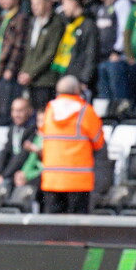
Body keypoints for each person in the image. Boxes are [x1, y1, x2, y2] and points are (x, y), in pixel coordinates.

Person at [41, 76, 104, 214]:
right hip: (78, 181)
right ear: (77, 90)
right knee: (77, 229)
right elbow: (99, 141)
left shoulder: (50, 110)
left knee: (54, 228)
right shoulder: (85, 111)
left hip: (52, 180)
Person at [0, 0, 29, 126]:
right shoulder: (4, 18)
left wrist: (11, 68)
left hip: (8, 70)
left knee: (6, 109)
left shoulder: (20, 18)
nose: (3, 1)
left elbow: (19, 46)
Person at [19, 0, 65, 111]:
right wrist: (24, 71)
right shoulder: (33, 22)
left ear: (48, 3)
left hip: (46, 80)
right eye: (32, 4)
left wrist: (31, 73)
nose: (34, 7)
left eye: (38, 4)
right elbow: (29, 51)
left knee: (44, 113)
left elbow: (50, 53)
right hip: (31, 79)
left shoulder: (56, 23)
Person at [51, 0, 98, 96]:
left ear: (74, 3)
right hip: (64, 74)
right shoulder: (67, 24)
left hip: (78, 79)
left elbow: (91, 54)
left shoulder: (88, 25)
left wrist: (85, 79)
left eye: (65, 3)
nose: (63, 8)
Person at [95, 0, 132, 102]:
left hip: (115, 59)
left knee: (118, 97)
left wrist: (117, 51)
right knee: (104, 98)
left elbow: (124, 30)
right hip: (102, 58)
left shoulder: (121, 4)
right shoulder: (101, 8)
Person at [0, 98, 37, 186]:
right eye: (14, 110)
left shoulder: (33, 130)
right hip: (9, 172)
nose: (16, 114)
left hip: (23, 173)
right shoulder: (13, 129)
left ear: (30, 111)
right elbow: (6, 151)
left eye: (20, 111)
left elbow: (22, 156)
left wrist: (4, 176)